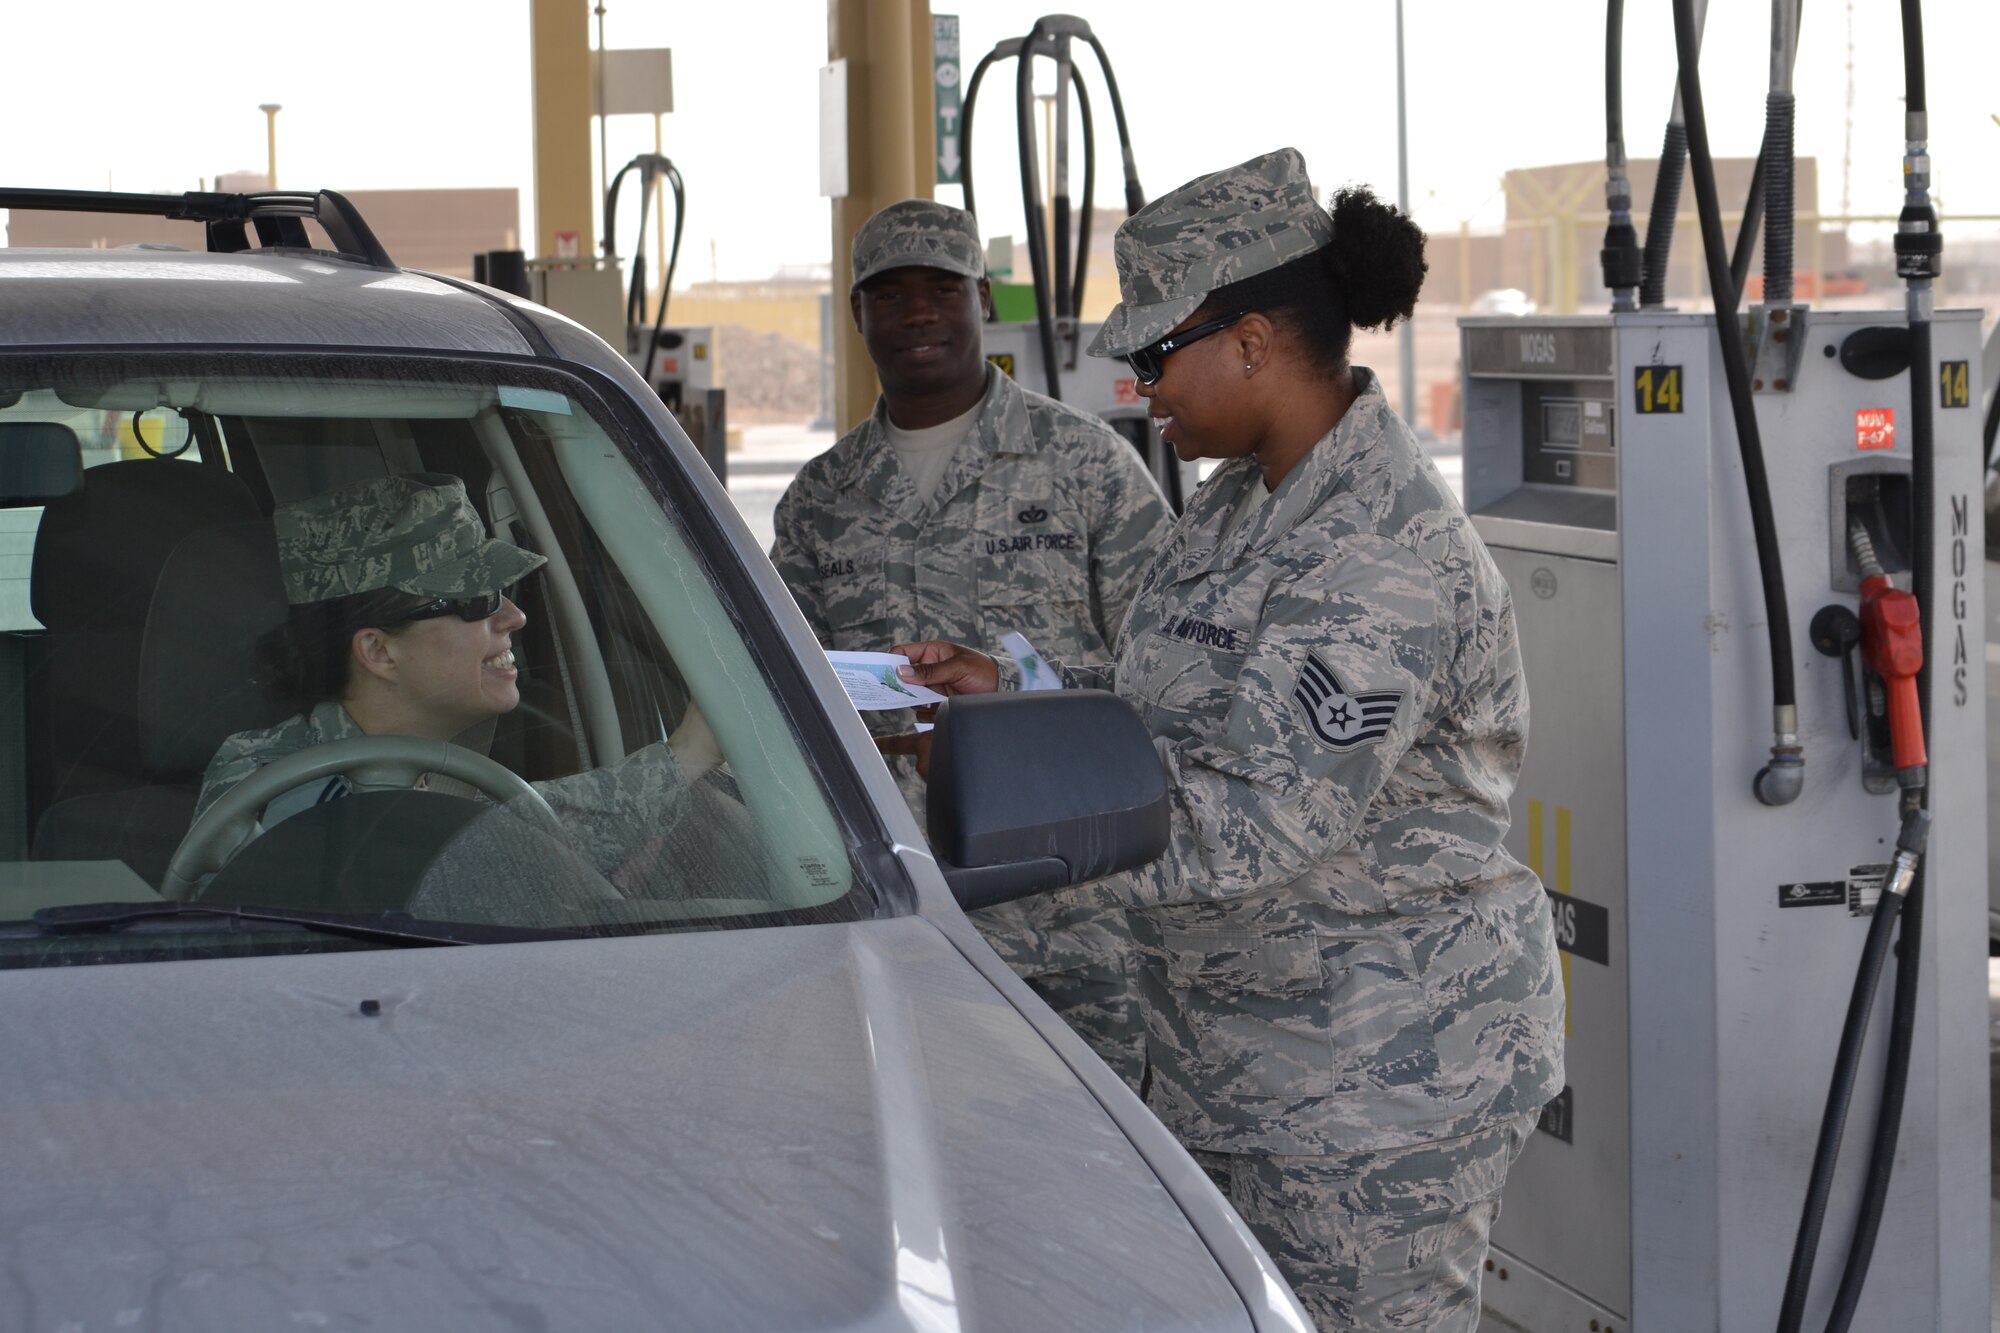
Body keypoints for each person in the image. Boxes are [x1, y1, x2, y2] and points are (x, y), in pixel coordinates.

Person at [883, 149, 1563, 1331]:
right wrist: (1019, 691)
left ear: (1249, 342)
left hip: (1367, 1078)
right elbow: (1183, 702)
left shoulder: (1372, 552)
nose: (1142, 391)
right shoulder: (1247, 499)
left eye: (1155, 356)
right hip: (1230, 1051)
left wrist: (991, 770)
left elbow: (1245, 826)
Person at [770, 199, 1174, 1087]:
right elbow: (780, 696)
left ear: (981, 299)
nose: (917, 312)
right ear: (858, 314)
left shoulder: (1086, 465)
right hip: (890, 911)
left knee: (1092, 1193)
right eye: (891, 293)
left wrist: (1015, 684)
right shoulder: (820, 499)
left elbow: (1176, 675)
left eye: (942, 289)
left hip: (1071, 924)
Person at [196, 472, 722, 898]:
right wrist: (685, 757)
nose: (514, 616)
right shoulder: (272, 785)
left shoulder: (430, 766)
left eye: (504, 592)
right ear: (379, 651)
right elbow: (429, 857)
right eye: (478, 602)